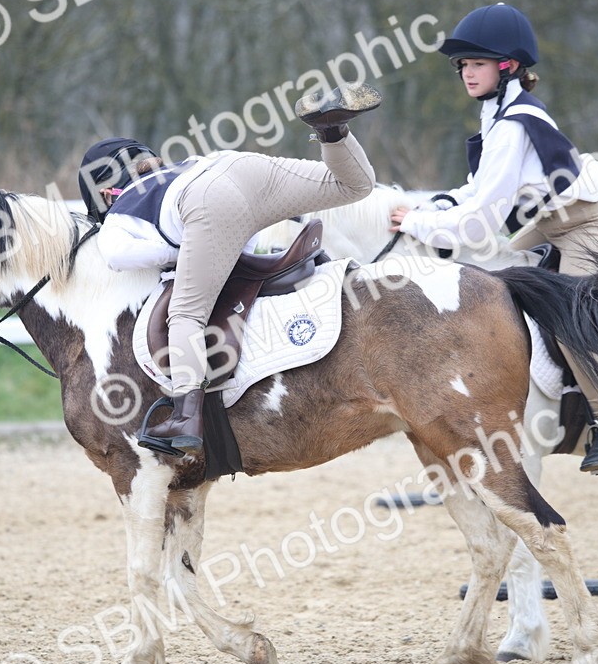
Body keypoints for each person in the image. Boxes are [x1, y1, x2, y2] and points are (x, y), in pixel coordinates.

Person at [389, 2, 598, 475]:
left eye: (476, 63)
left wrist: (417, 224)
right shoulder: (497, 114)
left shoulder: (514, 124)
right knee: (485, 285)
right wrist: (434, 207)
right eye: (462, 65)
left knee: (569, 321)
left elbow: (481, 222)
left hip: (583, 226)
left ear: (508, 65)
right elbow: (477, 191)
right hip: (546, 223)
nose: (466, 73)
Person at [80, 83, 381, 455]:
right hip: (234, 165)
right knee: (351, 186)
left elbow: (117, 257)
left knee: (186, 311)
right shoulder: (180, 165)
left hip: (207, 200)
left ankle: (186, 417)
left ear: (106, 194)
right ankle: (331, 131)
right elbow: (236, 236)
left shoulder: (123, 210)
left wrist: (184, 252)